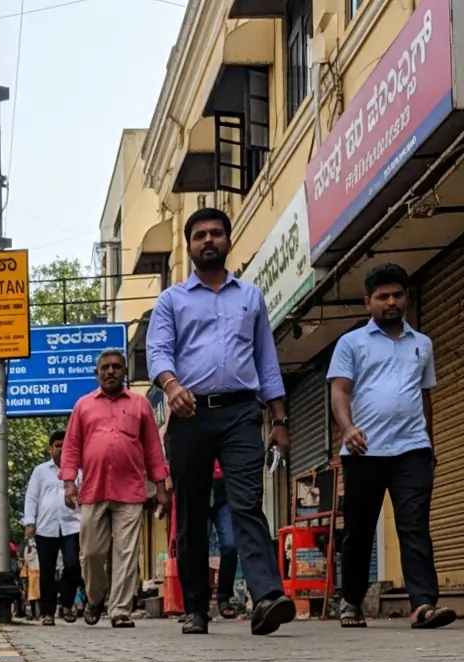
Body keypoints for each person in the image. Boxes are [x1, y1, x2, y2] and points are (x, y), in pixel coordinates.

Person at [147, 207, 295, 637]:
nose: (208, 240)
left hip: (241, 413)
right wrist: (172, 386)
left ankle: (267, 596)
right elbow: (158, 352)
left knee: (246, 502)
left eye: (216, 233)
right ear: (190, 246)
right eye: (200, 235)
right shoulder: (172, 300)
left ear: (228, 241)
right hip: (189, 415)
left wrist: (280, 419)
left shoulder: (250, 296)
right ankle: (196, 608)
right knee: (192, 513)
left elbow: (266, 361)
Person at [328, 262, 456, 630]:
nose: (391, 302)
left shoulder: (422, 344)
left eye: (397, 295)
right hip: (364, 451)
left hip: (412, 450)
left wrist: (430, 444)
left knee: (414, 526)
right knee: (359, 530)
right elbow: (340, 391)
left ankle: (423, 604)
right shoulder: (351, 343)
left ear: (406, 297)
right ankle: (352, 601)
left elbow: (424, 396)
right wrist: (347, 429)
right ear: (367, 301)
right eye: (382, 296)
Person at [60, 347, 169, 628]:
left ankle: (120, 610)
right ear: (97, 373)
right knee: (91, 553)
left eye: (116, 367)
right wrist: (69, 483)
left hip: (130, 490)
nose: (111, 371)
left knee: (126, 553)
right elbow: (71, 448)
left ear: (124, 372)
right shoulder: (83, 405)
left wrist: (160, 487)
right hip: (93, 489)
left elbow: (153, 449)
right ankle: (95, 597)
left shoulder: (140, 405)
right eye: (105, 367)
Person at [24, 429, 82, 626]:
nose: (61, 450)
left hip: (72, 526)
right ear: (50, 449)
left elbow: (84, 495)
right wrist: (29, 523)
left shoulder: (78, 471)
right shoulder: (40, 471)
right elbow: (31, 497)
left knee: (73, 566)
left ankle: (66, 603)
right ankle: (47, 612)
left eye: (65, 446)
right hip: (45, 527)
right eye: (57, 446)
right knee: (47, 571)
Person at [209, 460, 239, 619]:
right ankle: (198, 603)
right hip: (199, 484)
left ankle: (224, 597)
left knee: (230, 545)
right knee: (197, 546)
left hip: (225, 486)